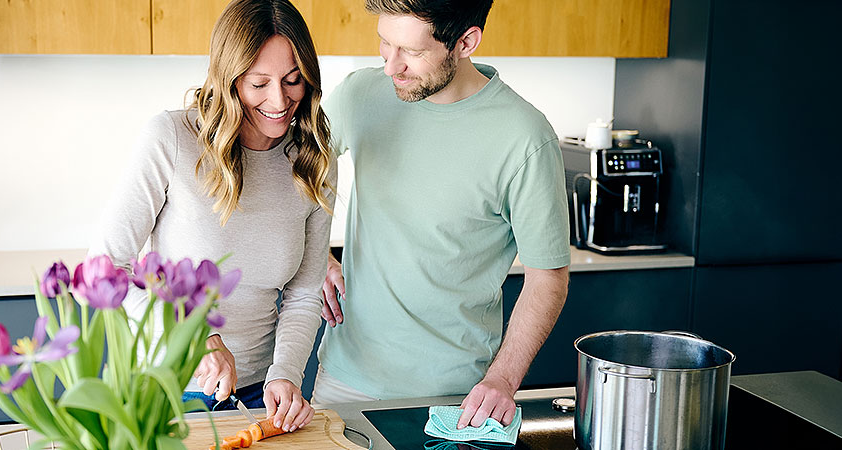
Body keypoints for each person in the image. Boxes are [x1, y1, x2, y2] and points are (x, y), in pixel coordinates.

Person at [314, 0, 570, 430]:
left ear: (466, 42)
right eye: (385, 43)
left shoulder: (525, 138)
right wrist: (316, 255)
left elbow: (548, 278)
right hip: (343, 380)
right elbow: (299, 171)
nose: (391, 67)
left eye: (411, 52)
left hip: (454, 399)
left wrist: (503, 380)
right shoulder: (361, 94)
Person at [90, 0, 335, 433]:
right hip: (165, 389)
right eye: (258, 83)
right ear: (228, 79)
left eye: (292, 81)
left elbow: (303, 291)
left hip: (261, 393)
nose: (279, 100)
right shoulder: (172, 138)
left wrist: (286, 374)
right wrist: (194, 338)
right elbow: (102, 269)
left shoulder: (312, 158)